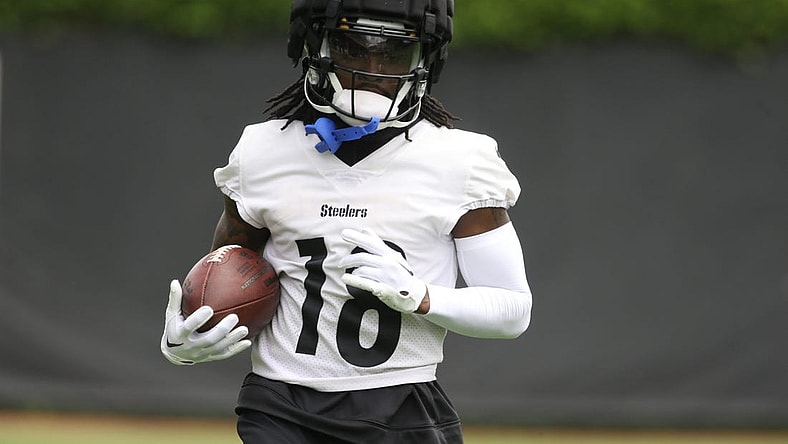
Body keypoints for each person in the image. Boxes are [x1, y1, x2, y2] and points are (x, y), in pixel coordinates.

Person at [160, 0, 533, 442]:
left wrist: (422, 297)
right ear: (313, 46)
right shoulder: (263, 152)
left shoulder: (460, 161)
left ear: (426, 59)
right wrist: (187, 339)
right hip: (279, 407)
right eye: (352, 48)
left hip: (399, 406)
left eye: (394, 53)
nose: (372, 68)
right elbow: (229, 274)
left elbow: (512, 311)